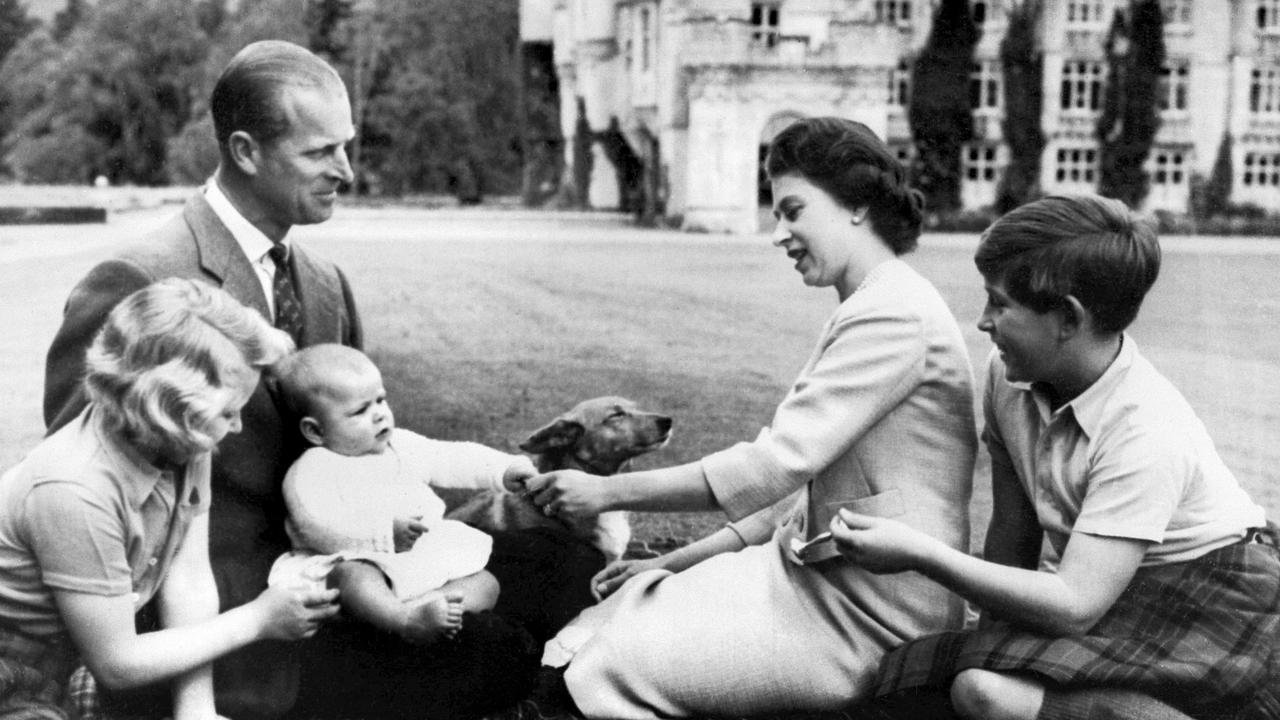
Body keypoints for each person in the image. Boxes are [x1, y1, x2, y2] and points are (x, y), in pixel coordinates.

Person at [42, 40, 558, 720]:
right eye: (321, 153)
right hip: (232, 620)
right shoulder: (141, 282)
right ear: (247, 151)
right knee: (495, 648)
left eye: (346, 147)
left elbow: (367, 451)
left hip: (348, 570)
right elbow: (87, 497)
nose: (345, 170)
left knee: (558, 561)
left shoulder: (322, 283)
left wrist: (419, 532)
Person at [519, 116, 978, 718]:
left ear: (858, 205)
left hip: (872, 617)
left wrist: (606, 491)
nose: (778, 233)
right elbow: (791, 499)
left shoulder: (894, 316)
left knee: (615, 663)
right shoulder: (873, 302)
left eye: (793, 211)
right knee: (622, 611)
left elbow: (774, 466)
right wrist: (669, 563)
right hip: (816, 584)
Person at [834, 194, 1280, 720]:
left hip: (1210, 598)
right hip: (1106, 588)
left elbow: (1074, 605)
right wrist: (990, 633)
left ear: (1067, 318)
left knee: (982, 692)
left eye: (999, 304)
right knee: (915, 680)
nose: (982, 322)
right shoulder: (1009, 376)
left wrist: (922, 554)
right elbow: (1013, 534)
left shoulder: (1147, 430)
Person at [0, 278, 339, 720]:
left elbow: (189, 579)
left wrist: (195, 710)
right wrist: (258, 619)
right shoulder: (75, 490)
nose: (236, 427)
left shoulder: (181, 441)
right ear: (166, 408)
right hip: (16, 667)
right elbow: (118, 663)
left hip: (74, 651)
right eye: (227, 412)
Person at [269, 344, 537, 644]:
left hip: (413, 558)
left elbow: (449, 457)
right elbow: (315, 523)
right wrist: (383, 534)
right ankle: (403, 621)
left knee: (485, 583)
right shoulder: (314, 468)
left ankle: (432, 609)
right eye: (360, 411)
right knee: (353, 576)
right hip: (356, 556)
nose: (380, 415)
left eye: (380, 400)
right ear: (316, 432)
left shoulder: (400, 445)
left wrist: (502, 470)